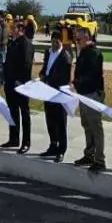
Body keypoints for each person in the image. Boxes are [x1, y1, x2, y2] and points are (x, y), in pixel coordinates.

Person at [71, 28, 106, 171]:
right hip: (83, 94)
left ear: (87, 38)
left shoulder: (94, 53)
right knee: (86, 125)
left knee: (95, 127)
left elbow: (91, 75)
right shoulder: (83, 52)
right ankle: (89, 154)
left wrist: (75, 83)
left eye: (79, 40)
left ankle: (99, 160)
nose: (77, 42)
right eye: (76, 40)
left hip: (92, 94)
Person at [0, 19, 34, 153]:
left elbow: (26, 64)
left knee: (24, 113)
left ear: (20, 30)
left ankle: (26, 142)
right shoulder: (12, 43)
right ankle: (13, 138)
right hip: (10, 83)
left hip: (21, 84)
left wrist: (20, 80)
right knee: (13, 111)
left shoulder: (25, 44)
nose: (10, 30)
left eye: (13, 28)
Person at [39, 30, 72, 161]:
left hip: (59, 92)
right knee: (50, 120)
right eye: (52, 42)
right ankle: (53, 144)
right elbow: (45, 67)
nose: (54, 44)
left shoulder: (65, 56)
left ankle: (61, 150)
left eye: (57, 42)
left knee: (61, 122)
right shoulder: (48, 52)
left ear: (61, 41)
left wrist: (49, 80)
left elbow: (65, 77)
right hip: (47, 91)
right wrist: (42, 74)